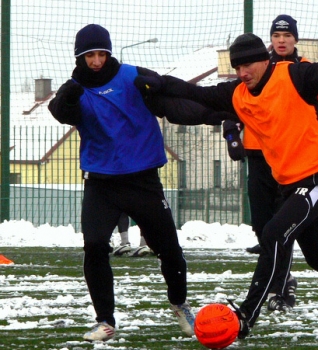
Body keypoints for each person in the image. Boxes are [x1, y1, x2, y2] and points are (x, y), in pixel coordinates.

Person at [134, 32, 318, 340]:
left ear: (264, 59)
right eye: (237, 67)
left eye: (248, 65)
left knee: (273, 233)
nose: (243, 73)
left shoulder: (294, 74)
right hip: (290, 184)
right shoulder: (239, 93)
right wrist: (159, 84)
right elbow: (196, 95)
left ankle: (246, 316)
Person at [47, 24, 221, 342]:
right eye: (90, 55)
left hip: (143, 180)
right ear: (80, 57)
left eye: (102, 53)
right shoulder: (74, 87)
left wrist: (216, 114)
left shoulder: (132, 76)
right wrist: (67, 101)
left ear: (109, 53)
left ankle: (180, 304)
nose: (97, 61)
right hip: (101, 184)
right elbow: (60, 111)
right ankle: (105, 320)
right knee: (95, 246)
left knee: (168, 250)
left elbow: (172, 101)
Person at [223, 14, 318, 312]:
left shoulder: (302, 72)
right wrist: (232, 133)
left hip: (304, 166)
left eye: (287, 35)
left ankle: (273, 293)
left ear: (295, 39)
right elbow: (232, 101)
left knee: (280, 231)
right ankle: (282, 282)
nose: (281, 40)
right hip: (262, 160)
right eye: (276, 35)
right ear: (269, 40)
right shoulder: (254, 68)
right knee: (266, 228)